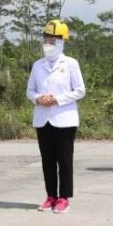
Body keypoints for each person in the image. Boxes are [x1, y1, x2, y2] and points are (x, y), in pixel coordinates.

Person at [26, 19, 85, 214]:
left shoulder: (70, 64)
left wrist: (57, 99)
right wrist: (38, 98)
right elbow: (30, 90)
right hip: (43, 118)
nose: (49, 43)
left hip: (64, 118)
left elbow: (80, 91)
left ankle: (64, 197)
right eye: (47, 39)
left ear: (62, 41)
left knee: (64, 160)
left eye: (54, 40)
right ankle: (50, 195)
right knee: (47, 160)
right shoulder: (37, 65)